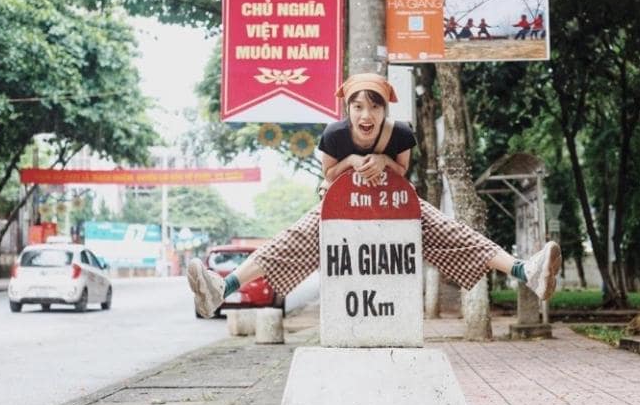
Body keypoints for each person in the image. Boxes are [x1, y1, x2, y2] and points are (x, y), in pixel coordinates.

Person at [187, 73, 561, 318]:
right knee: (291, 240)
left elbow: (402, 172)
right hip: (341, 205)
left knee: (454, 233)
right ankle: (222, 287)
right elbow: (329, 177)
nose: (366, 114)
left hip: (394, 203)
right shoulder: (333, 135)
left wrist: (382, 160)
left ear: (385, 108)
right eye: (358, 105)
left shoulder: (400, 134)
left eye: (375, 105)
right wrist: (350, 160)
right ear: (348, 108)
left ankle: (525, 270)